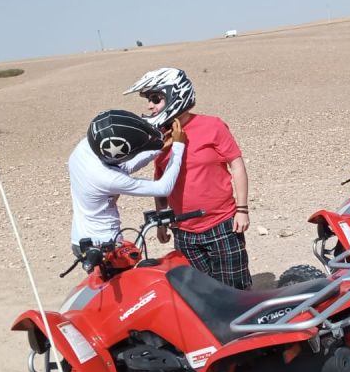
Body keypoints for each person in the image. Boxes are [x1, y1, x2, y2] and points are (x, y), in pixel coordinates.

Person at [123, 67, 252, 289]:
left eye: (155, 98)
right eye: (149, 100)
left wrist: (242, 209)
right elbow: (160, 180)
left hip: (222, 224)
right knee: (201, 295)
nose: (149, 106)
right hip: (183, 231)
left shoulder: (213, 126)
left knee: (235, 291)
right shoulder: (160, 137)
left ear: (176, 94)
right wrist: (161, 221)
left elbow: (237, 165)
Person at [68, 109, 186, 256]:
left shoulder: (85, 146)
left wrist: (159, 149)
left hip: (81, 238)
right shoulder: (107, 178)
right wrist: (178, 147)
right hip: (104, 246)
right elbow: (163, 188)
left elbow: (123, 166)